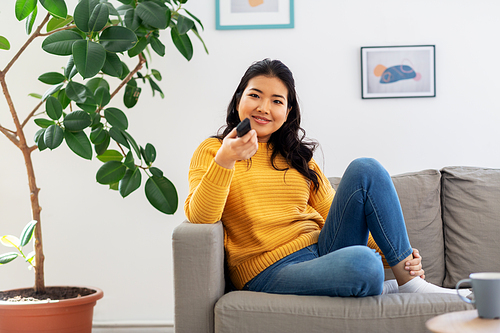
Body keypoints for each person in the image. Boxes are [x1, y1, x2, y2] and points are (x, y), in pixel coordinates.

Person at [185, 58, 464, 297]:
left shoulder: (297, 157)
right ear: (238, 101)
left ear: (288, 111)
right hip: (268, 270)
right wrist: (227, 159)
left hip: (323, 250)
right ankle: (375, 282)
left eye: (277, 100)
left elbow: (335, 214)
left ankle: (410, 284)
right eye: (255, 95)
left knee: (366, 167)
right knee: (364, 264)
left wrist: (398, 256)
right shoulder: (214, 151)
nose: (264, 108)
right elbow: (201, 217)